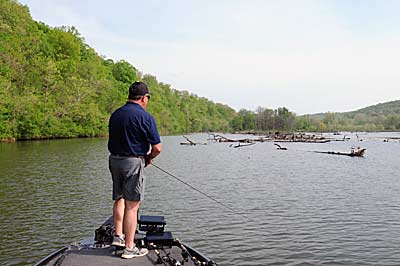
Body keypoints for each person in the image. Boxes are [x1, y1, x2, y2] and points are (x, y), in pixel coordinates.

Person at [108, 81, 162, 259]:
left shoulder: (116, 114)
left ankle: (118, 236)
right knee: (133, 205)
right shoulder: (145, 117)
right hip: (133, 163)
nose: (148, 100)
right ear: (144, 98)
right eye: (148, 97)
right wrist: (149, 158)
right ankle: (129, 248)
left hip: (114, 160)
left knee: (119, 197)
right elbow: (157, 148)